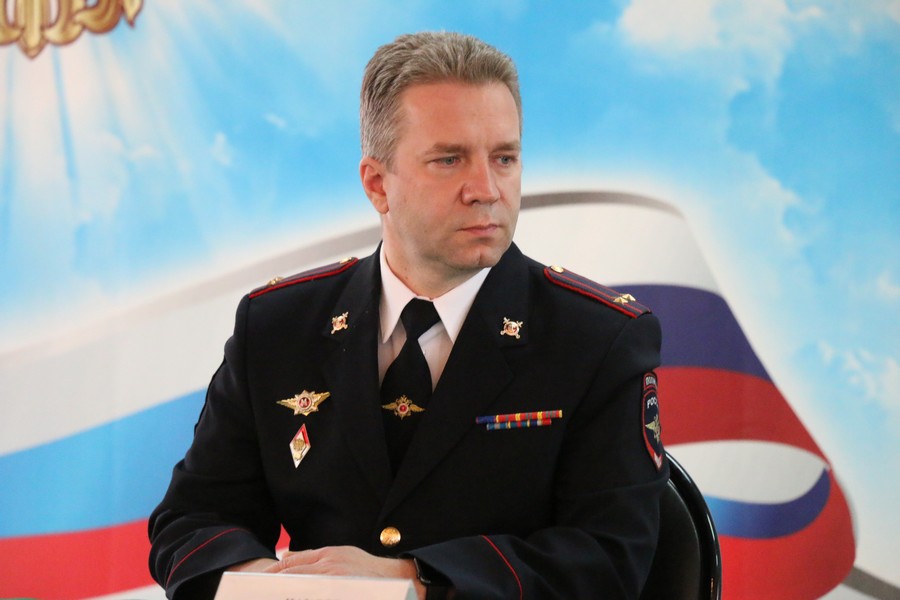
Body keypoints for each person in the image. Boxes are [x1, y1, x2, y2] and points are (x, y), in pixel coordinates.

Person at [149, 31, 668, 600]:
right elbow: (193, 518)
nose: (486, 190)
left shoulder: (597, 338)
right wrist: (269, 585)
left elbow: (610, 557)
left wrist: (416, 581)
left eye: (504, 158)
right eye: (450, 160)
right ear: (378, 184)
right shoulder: (277, 326)